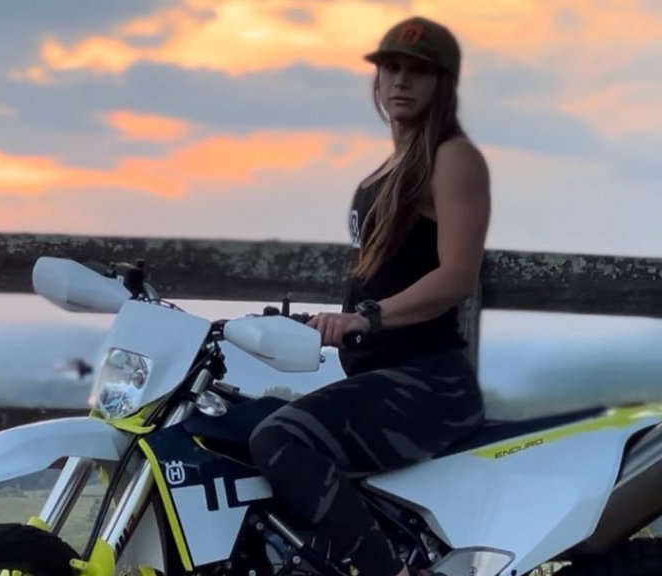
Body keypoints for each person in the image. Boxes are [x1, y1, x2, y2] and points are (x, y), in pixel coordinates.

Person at [248, 15, 491, 576]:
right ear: (377, 81)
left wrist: (366, 319)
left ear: (442, 85)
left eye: (418, 72)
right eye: (391, 69)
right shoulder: (386, 172)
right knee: (243, 422)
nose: (401, 82)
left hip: (429, 386)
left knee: (281, 438)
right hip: (378, 380)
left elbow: (456, 276)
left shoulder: (453, 160)